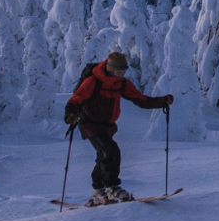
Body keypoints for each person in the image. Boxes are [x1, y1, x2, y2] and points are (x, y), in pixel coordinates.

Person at [66, 50, 173, 204]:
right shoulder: (94, 81)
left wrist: (162, 101)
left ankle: (98, 192)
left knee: (103, 156)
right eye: (118, 71)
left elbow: (140, 99)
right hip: (90, 124)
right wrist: (70, 113)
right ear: (110, 69)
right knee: (111, 151)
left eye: (124, 70)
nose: (122, 74)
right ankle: (112, 189)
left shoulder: (121, 84)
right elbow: (76, 99)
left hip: (107, 126)